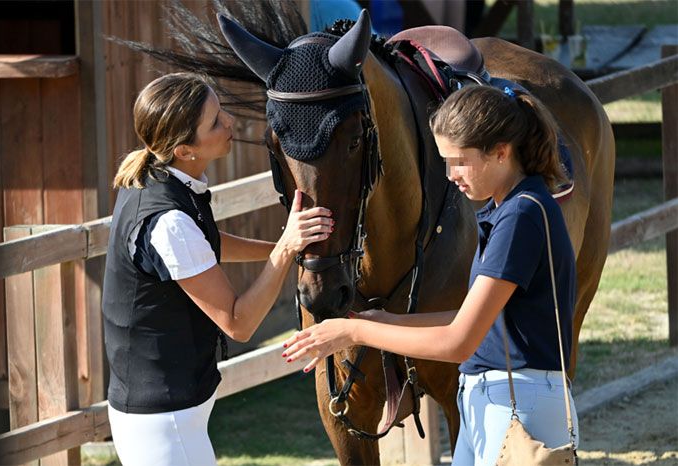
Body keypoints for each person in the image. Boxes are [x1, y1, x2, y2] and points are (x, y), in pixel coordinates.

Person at [282, 85, 580, 465]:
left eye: (459, 161)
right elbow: (475, 319)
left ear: (501, 152)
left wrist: (354, 331)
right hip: (501, 397)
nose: (450, 175)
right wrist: (388, 320)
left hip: (519, 400)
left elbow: (460, 342)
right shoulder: (509, 210)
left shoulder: (521, 217)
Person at [102, 72, 334, 466]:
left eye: (221, 111)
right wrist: (285, 250)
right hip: (164, 422)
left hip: (173, 413)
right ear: (184, 150)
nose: (230, 123)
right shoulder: (168, 223)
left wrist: (284, 250)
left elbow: (205, 244)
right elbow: (238, 323)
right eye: (214, 121)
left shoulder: (158, 180)